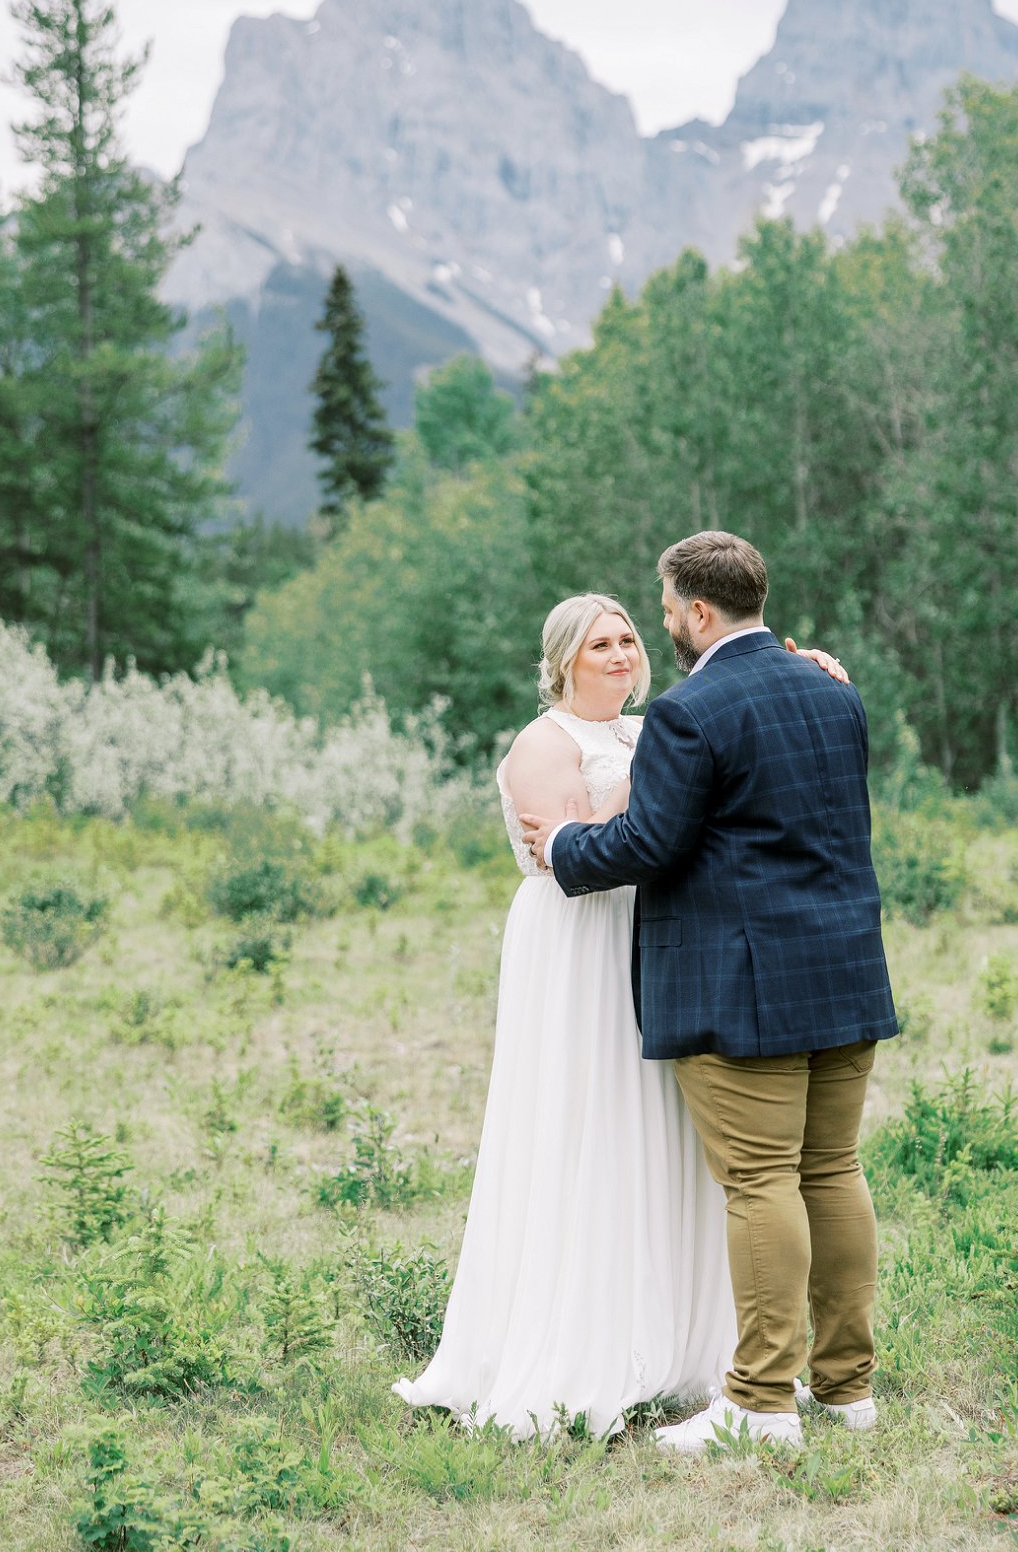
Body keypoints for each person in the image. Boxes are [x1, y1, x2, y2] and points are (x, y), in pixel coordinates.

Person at [391, 590, 844, 1438]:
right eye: (600, 644)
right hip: (578, 944)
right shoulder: (543, 741)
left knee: (669, 1133)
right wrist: (645, 810)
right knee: (588, 1122)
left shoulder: (654, 728)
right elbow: (557, 851)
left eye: (629, 638)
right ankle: (581, 1344)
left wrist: (798, 670)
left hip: (656, 934)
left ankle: (676, 1342)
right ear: (563, 660)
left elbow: (665, 815)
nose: (621, 654)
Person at [522, 531, 898, 1455]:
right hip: (844, 964)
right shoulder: (833, 689)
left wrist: (563, 849)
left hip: (746, 984)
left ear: (696, 612)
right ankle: (846, 1390)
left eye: (661, 612)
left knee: (762, 1180)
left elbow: (651, 843)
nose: (657, 629)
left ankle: (762, 1403)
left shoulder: (692, 711)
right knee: (833, 1172)